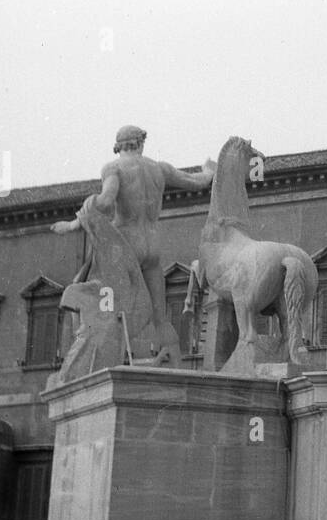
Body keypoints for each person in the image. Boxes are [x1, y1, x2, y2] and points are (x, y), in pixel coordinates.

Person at [53, 126, 214, 362]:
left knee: (108, 302)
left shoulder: (114, 168)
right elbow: (196, 181)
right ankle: (175, 361)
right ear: (141, 143)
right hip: (152, 247)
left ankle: (102, 357)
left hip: (125, 245)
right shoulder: (160, 169)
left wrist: (74, 223)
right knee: (160, 316)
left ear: (118, 146)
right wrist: (209, 171)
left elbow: (106, 201)